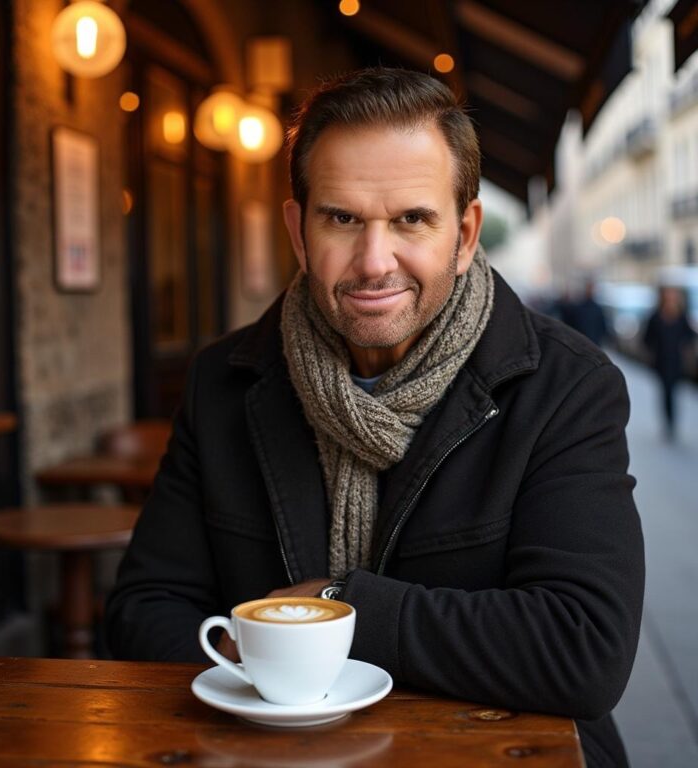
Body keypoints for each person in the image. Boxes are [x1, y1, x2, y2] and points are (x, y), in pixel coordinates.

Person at [106, 68, 644, 768]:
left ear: (466, 231)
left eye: (412, 219)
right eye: (342, 218)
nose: (374, 261)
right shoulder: (224, 382)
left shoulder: (565, 386)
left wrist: (336, 605)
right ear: (298, 231)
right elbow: (144, 610)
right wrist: (285, 683)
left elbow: (584, 648)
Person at [644, 285, 696, 441]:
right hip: (661, 362)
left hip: (676, 362)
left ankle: (672, 422)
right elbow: (647, 338)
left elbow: (690, 335)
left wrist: (684, 348)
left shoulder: (681, 316)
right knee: (665, 392)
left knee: (673, 392)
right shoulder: (656, 316)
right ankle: (668, 421)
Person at [565, 280, 609, 347]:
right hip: (584, 343)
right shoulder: (579, 308)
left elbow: (603, 327)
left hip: (593, 343)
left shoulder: (597, 308)